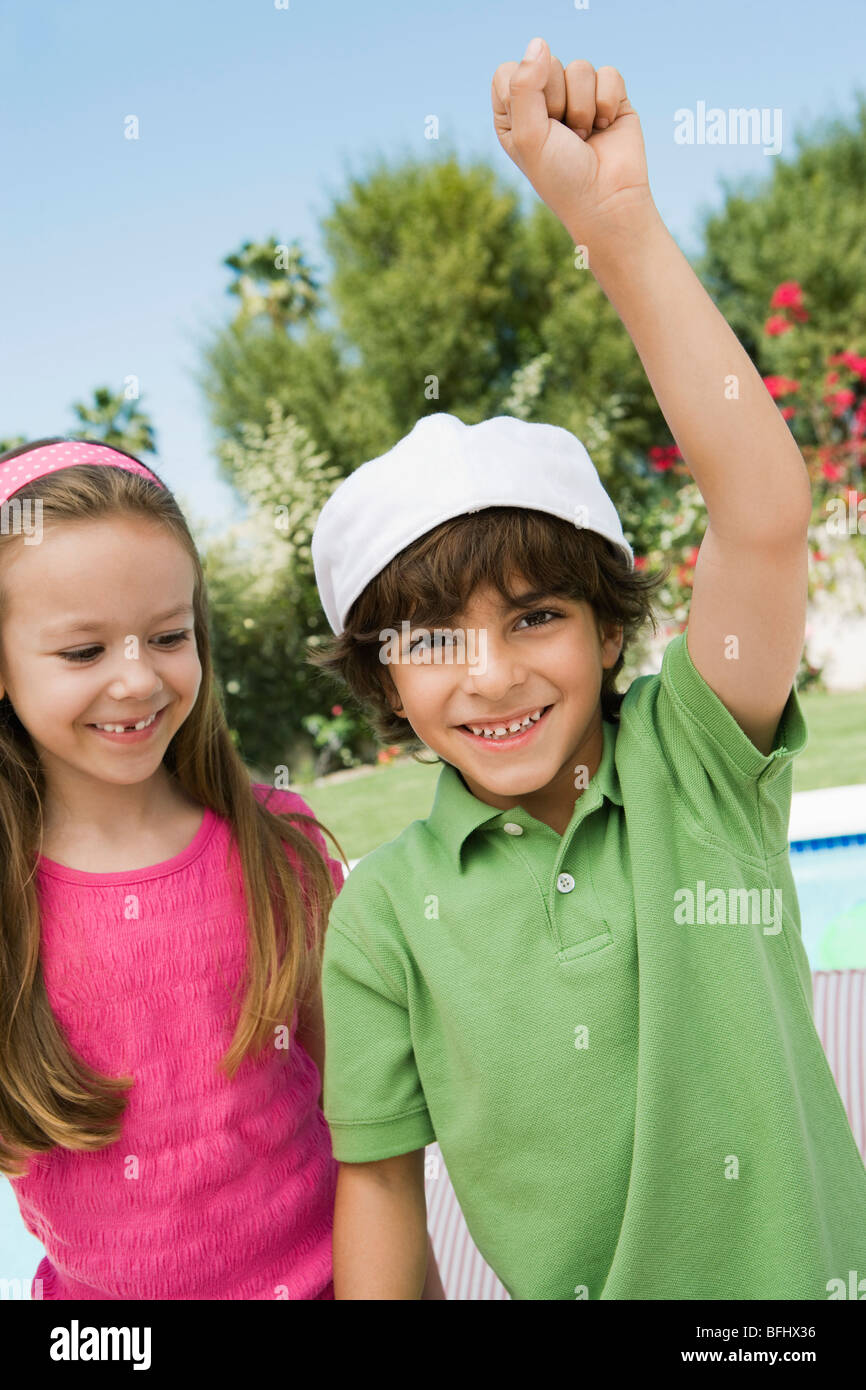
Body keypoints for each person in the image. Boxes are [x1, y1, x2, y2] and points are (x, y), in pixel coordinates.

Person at [308, 39, 866, 1299]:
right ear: (387, 681)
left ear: (611, 629)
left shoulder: (696, 761)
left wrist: (613, 224)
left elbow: (764, 512)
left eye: (537, 615)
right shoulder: (383, 916)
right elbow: (381, 1196)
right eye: (434, 639)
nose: (491, 674)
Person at [0, 435, 353, 1300]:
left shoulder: (279, 850)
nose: (136, 680)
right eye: (83, 652)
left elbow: (362, 1118)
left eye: (167, 636)